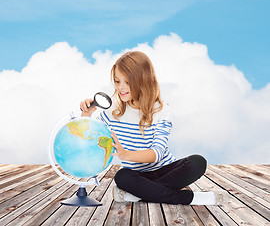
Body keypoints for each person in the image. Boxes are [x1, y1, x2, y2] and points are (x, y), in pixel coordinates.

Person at [80, 51, 228, 205]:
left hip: (165, 171)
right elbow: (90, 136)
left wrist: (125, 154)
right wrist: (86, 114)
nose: (121, 88)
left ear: (142, 80)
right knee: (122, 176)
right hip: (136, 176)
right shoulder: (112, 111)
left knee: (198, 162)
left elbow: (156, 154)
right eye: (117, 81)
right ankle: (193, 199)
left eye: (128, 82)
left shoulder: (162, 110)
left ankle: (139, 194)